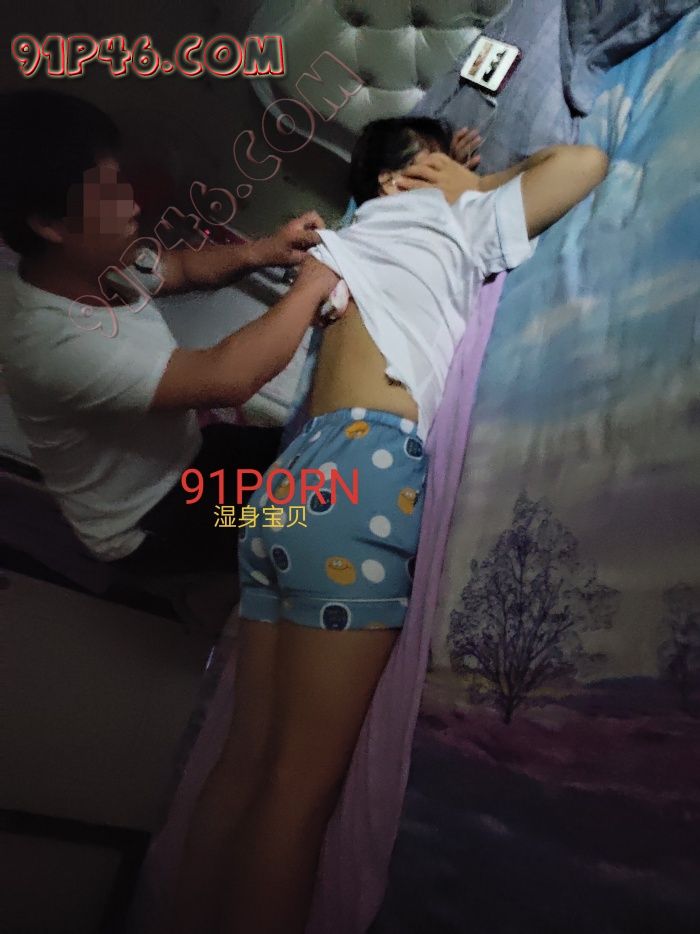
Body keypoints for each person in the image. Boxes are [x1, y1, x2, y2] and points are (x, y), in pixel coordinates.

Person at [164, 116, 609, 934]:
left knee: (243, 766)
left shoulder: (349, 237)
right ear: (407, 177)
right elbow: (583, 161)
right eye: (437, 161)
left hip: (285, 488)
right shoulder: (451, 214)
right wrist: (475, 185)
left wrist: (448, 167)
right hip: (359, 474)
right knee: (299, 789)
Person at [0, 89, 339, 574]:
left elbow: (178, 268)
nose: (132, 202)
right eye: (109, 191)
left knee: (322, 451)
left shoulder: (95, 259)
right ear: (50, 224)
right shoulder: (48, 342)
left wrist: (262, 251)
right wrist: (314, 283)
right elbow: (226, 378)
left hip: (190, 456)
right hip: (154, 519)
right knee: (306, 516)